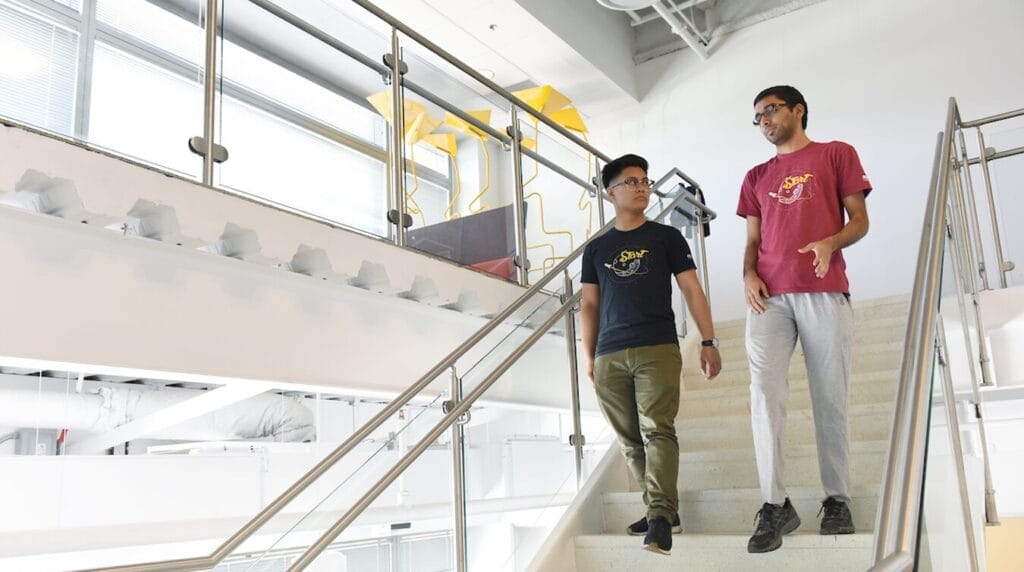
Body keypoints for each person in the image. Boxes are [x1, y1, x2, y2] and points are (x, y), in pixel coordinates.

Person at [737, 86, 871, 553]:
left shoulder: (836, 154)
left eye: (770, 110)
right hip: (768, 299)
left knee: (830, 395)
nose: (764, 121)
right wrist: (748, 273)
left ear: (798, 109)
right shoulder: (756, 176)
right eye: (757, 117)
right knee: (763, 396)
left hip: (823, 290)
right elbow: (752, 240)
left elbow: (859, 220)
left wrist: (830, 244)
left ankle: (837, 499)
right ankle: (775, 504)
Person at [580, 153, 721, 555]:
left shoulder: (666, 238)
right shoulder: (596, 249)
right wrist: (589, 356)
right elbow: (589, 305)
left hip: (657, 346)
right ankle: (660, 509)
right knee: (629, 441)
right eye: (631, 181)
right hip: (609, 353)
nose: (642, 187)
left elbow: (692, 289)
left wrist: (708, 341)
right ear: (611, 192)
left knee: (657, 428)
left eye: (645, 180)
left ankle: (660, 516)